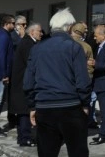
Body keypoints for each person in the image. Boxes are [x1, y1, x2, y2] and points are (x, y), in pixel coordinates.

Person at [24, 8, 92, 157]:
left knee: (47, 152)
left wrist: (32, 106)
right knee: (77, 152)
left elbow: (28, 81)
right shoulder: (74, 47)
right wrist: (85, 104)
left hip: (45, 107)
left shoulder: (37, 49)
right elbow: (83, 81)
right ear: (69, 27)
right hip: (71, 107)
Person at [10, 22, 41, 147]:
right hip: (23, 83)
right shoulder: (28, 44)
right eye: (39, 31)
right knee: (25, 111)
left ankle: (22, 137)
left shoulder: (28, 42)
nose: (41, 33)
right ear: (32, 32)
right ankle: (25, 138)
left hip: (21, 82)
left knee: (23, 112)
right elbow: (31, 64)